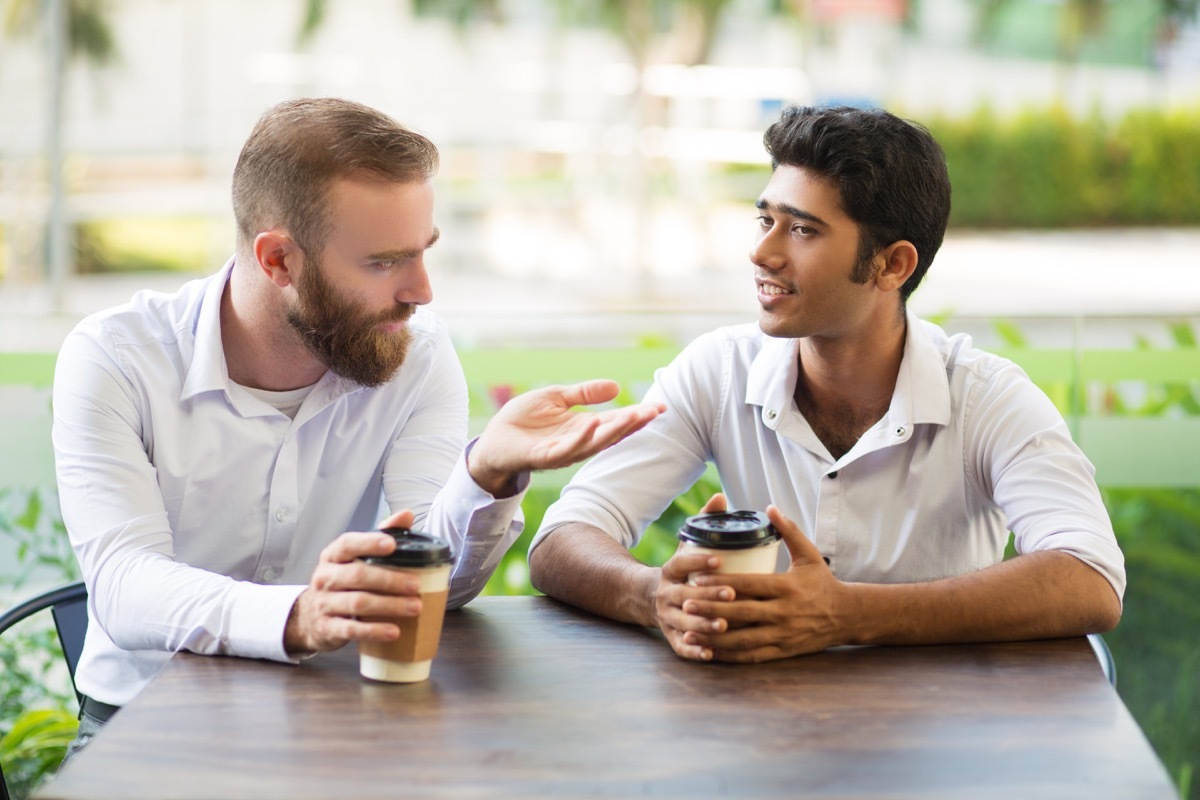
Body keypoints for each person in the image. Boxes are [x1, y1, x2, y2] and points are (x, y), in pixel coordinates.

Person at [51, 97, 663, 754]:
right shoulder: (115, 359)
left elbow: (437, 587)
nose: (421, 290)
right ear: (279, 261)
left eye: (423, 252)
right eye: (383, 262)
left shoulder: (415, 354)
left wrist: (487, 472)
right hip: (146, 727)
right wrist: (299, 615)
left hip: (334, 714)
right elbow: (124, 583)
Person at [528, 104, 1125, 664]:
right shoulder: (718, 369)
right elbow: (562, 540)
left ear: (891, 264)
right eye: (766, 219)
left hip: (946, 736)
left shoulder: (986, 397)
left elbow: (1090, 578)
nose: (762, 252)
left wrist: (848, 615)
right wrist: (652, 594)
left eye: (803, 231)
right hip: (763, 730)